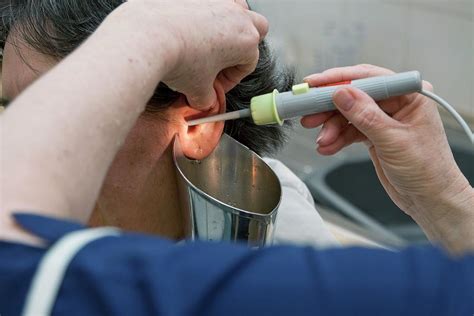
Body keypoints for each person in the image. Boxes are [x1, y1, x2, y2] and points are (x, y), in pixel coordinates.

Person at [0, 1, 472, 315]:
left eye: (49, 104)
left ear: (200, 123)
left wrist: (146, 32)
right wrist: (449, 202)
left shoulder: (277, 262)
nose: (20, 137)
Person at [0, 0, 337, 248]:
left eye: (54, 114)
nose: (15, 144)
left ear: (199, 122)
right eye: (10, 112)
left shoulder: (284, 266)